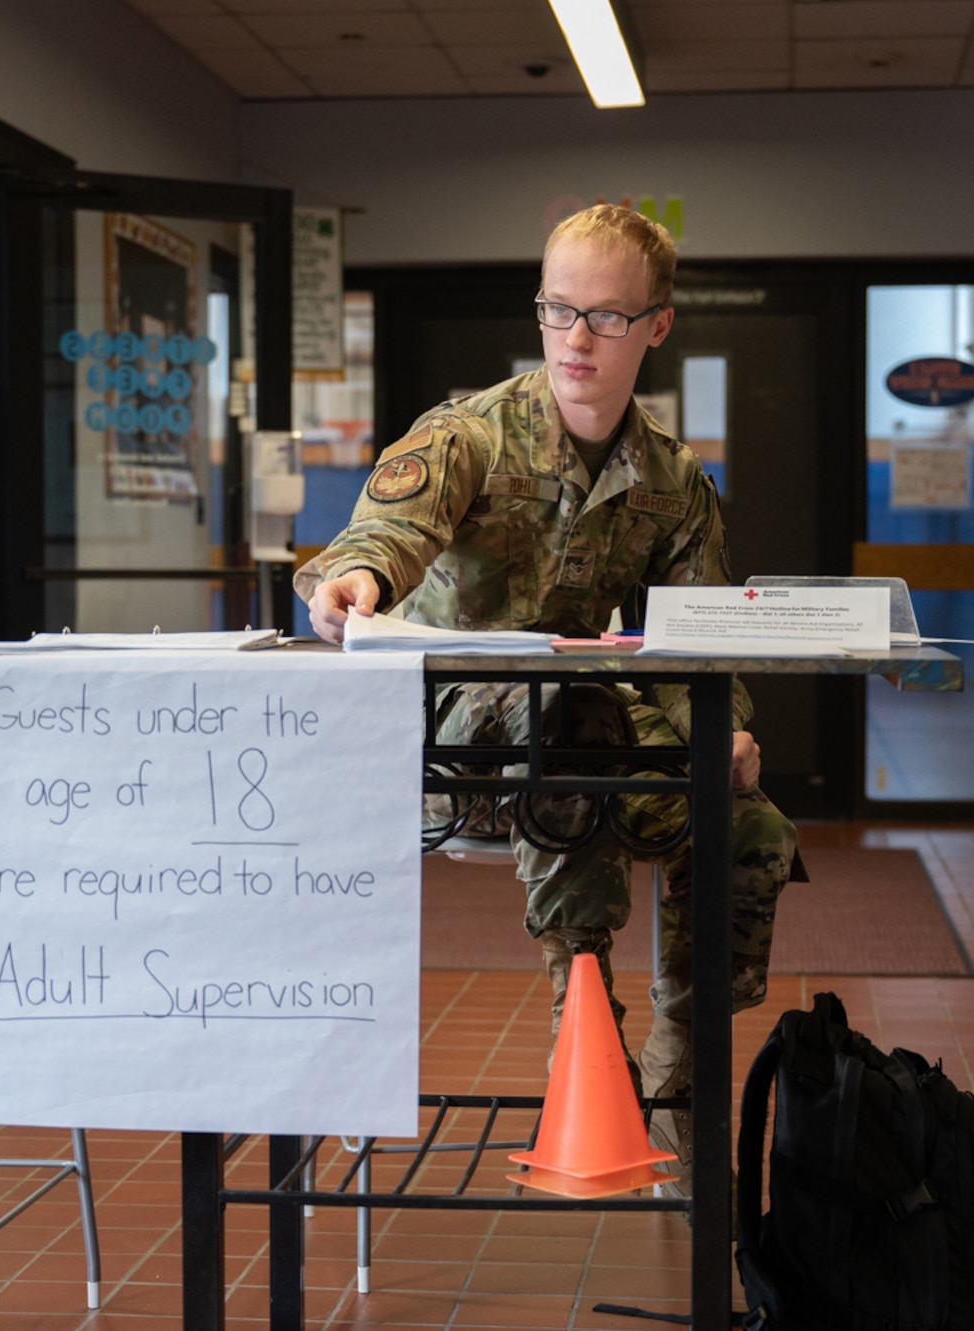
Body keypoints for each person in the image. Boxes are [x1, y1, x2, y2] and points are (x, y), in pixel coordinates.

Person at [294, 204, 801, 1194]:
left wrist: (726, 726)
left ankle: (678, 1058)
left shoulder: (669, 477)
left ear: (655, 325)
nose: (576, 339)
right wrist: (350, 581)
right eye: (557, 309)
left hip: (587, 726)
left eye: (606, 317)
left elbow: (697, 631)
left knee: (750, 825)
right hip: (452, 739)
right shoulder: (469, 435)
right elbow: (385, 530)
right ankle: (584, 1011)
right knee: (568, 717)